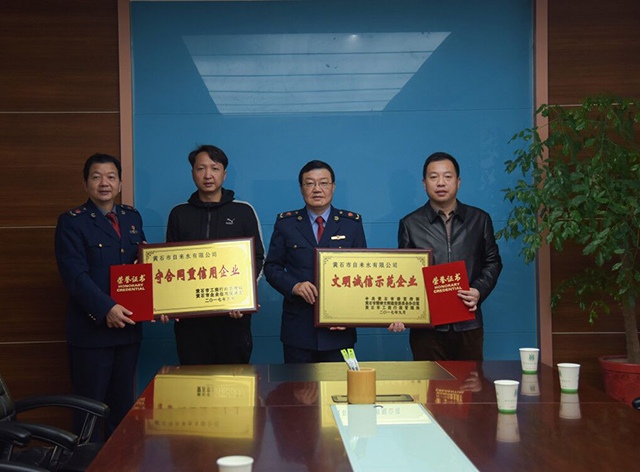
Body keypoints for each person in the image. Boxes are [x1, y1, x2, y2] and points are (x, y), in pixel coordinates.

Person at [55, 153, 146, 439]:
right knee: (90, 412)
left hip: (128, 330)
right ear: (85, 184)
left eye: (111, 177)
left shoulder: (131, 217)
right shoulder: (72, 222)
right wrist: (106, 308)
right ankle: (87, 461)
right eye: (96, 177)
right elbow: (74, 275)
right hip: (91, 333)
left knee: (123, 411)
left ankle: (122, 461)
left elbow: (142, 265)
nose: (104, 183)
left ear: (120, 183)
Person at [390, 152, 502, 360]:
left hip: (469, 323)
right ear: (424, 184)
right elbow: (404, 275)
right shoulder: (410, 224)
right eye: (433, 177)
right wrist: (400, 313)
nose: (441, 182)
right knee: (428, 380)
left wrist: (478, 290)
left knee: (470, 380)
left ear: (458, 182)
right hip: (427, 328)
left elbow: (493, 262)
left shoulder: (479, 219)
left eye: (447, 176)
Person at [165, 144, 264, 365]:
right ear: (193, 173)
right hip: (191, 322)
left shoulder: (243, 211)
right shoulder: (179, 213)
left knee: (235, 380)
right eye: (201, 168)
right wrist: (166, 303)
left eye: (215, 168)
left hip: (233, 318)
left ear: (224, 174)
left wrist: (244, 297)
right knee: (194, 379)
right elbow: (169, 263)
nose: (208, 175)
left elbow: (258, 258)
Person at [264, 160, 367, 363]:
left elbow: (363, 273)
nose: (317, 189)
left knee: (339, 384)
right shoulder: (286, 224)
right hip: (298, 329)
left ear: (333, 187)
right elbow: (272, 267)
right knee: (298, 384)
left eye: (323, 183)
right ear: (301, 188)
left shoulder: (351, 224)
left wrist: (350, 315)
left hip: (339, 329)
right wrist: (294, 286)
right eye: (310, 183)